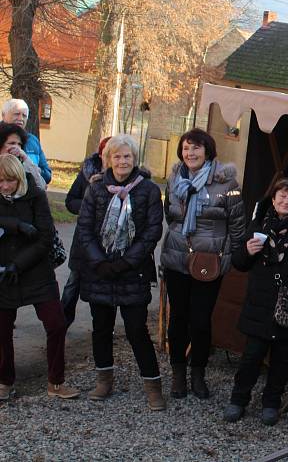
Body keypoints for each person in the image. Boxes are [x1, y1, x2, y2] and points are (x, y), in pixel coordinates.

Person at [223, 177, 288, 426]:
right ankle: (238, 400)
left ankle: (271, 403)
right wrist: (247, 251)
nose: (286, 200)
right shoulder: (260, 223)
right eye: (282, 195)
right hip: (260, 303)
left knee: (282, 361)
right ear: (273, 199)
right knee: (250, 358)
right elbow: (239, 262)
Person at [76, 134, 166, 411]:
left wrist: (126, 262)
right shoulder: (96, 189)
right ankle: (104, 380)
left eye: (127, 156)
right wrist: (100, 262)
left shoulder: (149, 190)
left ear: (134, 158)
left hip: (132, 271)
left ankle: (153, 386)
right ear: (108, 159)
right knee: (101, 329)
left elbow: (153, 230)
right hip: (99, 270)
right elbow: (84, 228)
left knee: (136, 330)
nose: (122, 161)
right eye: (117, 156)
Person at [161, 128, 245, 399]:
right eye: (186, 148)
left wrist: (228, 258)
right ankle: (178, 373)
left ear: (207, 150)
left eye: (196, 148)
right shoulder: (174, 178)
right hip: (177, 258)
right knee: (178, 319)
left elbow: (237, 224)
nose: (190, 153)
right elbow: (170, 215)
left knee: (200, 320)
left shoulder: (227, 183)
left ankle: (198, 373)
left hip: (210, 261)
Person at [0, 154, 79, 401]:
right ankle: (4, 381)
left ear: (19, 179)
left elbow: (45, 238)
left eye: (9, 181)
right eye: (0, 181)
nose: (4, 186)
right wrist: (16, 225)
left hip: (35, 271)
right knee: (2, 332)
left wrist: (18, 264)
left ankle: (56, 381)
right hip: (5, 274)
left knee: (56, 324)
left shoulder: (35, 195)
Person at [61, 136, 110, 329]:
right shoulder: (87, 174)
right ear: (100, 155)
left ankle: (104, 326)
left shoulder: (126, 180)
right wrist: (89, 207)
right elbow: (70, 201)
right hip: (83, 239)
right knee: (73, 281)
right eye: (107, 154)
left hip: (108, 243)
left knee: (103, 286)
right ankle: (62, 322)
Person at [1, 99, 51, 184]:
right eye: (16, 114)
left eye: (24, 115)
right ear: (3, 115)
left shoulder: (32, 141)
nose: (21, 119)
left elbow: (47, 175)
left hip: (29, 194)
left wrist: (31, 167)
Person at [0, 123, 46, 190]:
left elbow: (41, 187)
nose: (17, 147)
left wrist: (25, 158)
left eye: (19, 144)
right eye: (12, 143)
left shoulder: (23, 165)